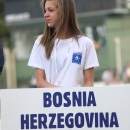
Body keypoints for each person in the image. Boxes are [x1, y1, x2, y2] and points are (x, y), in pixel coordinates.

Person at [28, 0, 99, 88]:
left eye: (50, 10)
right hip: (50, 101)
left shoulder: (85, 43)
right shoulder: (41, 42)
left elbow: (89, 83)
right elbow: (40, 82)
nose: (46, 14)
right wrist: (63, 95)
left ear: (64, 12)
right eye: (45, 11)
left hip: (77, 101)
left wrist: (70, 97)